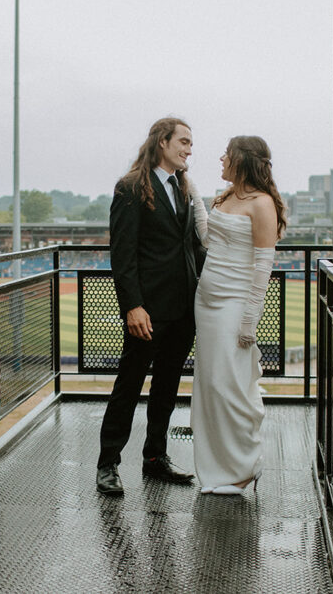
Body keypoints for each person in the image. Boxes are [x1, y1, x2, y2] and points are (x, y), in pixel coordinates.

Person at [96, 117, 204, 495]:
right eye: (184, 142)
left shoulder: (184, 188)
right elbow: (122, 255)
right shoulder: (130, 187)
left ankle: (155, 458)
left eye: (191, 144)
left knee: (167, 388)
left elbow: (191, 247)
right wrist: (133, 307)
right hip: (148, 311)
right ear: (162, 142)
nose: (190, 149)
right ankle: (107, 464)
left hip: (183, 310)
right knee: (128, 386)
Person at [186, 135, 286, 495]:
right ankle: (215, 467)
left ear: (243, 160)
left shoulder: (262, 204)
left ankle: (244, 466)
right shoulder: (225, 197)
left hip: (234, 304)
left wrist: (249, 321)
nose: (221, 159)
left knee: (231, 387)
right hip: (207, 300)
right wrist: (196, 197)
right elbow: (209, 240)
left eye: (226, 154)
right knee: (210, 384)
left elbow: (263, 267)